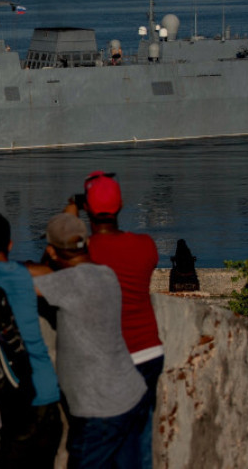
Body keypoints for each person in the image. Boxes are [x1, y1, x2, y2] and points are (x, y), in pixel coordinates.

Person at [28, 213, 146, 469]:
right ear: (88, 244)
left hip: (97, 409)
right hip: (130, 395)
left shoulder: (67, 284)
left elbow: (21, 280)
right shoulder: (106, 275)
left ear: (51, 250)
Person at [74, 171, 163, 469]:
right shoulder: (146, 246)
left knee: (92, 455)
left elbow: (55, 261)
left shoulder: (83, 253)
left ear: (86, 207)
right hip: (149, 354)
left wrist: (69, 219)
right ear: (121, 205)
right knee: (137, 443)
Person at [0, 210, 62, 469]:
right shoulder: (23, 275)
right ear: (9, 245)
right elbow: (48, 271)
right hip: (45, 393)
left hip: (10, 400)